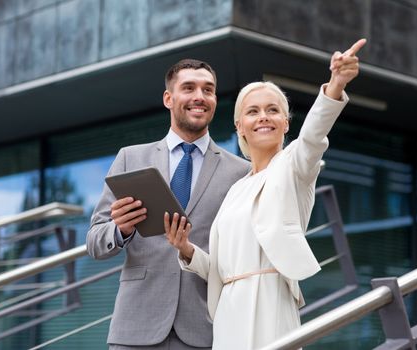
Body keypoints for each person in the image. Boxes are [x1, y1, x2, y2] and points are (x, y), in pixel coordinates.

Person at [164, 39, 366, 349]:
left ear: (286, 123)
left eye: (273, 110)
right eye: (253, 111)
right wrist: (186, 249)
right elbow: (220, 268)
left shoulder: (294, 165)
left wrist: (335, 85)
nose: (263, 117)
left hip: (270, 303)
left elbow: (313, 136)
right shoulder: (235, 189)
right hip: (229, 311)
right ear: (239, 127)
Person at [86, 59, 250, 349]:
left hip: (205, 330)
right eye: (189, 88)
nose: (200, 96)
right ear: (168, 98)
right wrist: (120, 229)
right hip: (135, 328)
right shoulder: (130, 159)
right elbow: (95, 243)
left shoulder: (240, 171)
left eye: (208, 90)